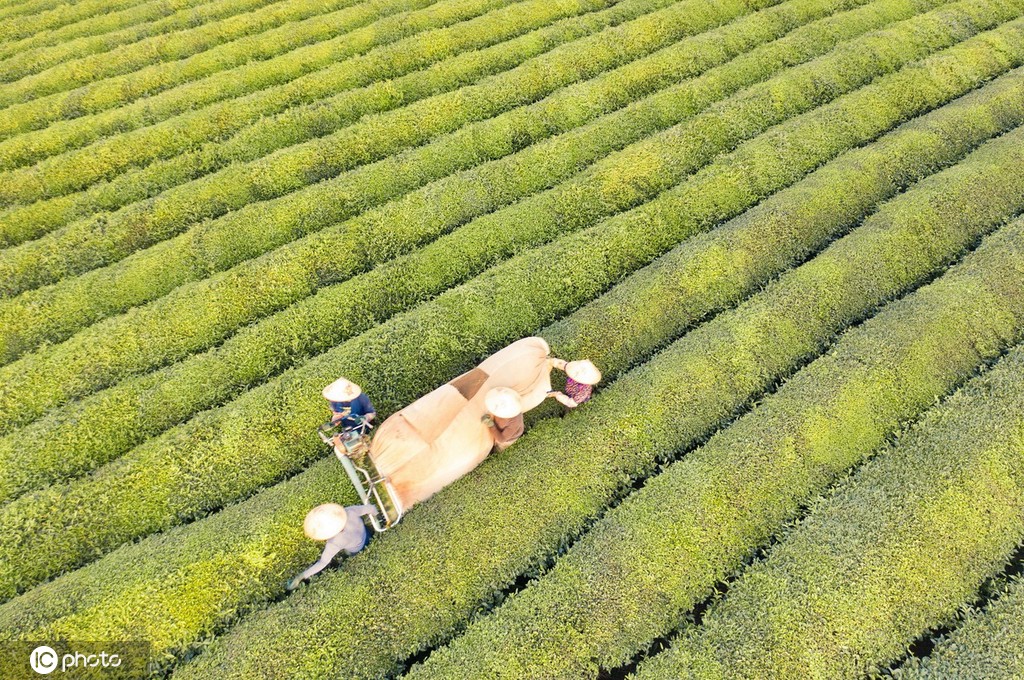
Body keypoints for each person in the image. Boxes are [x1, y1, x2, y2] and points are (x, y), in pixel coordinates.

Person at [286, 502, 378, 590]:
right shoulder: (349, 511)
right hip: (366, 532)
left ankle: (345, 555)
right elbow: (371, 508)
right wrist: (377, 517)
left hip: (357, 549)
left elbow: (322, 562)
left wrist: (300, 577)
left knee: (348, 552)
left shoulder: (334, 542)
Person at [481, 387, 525, 452]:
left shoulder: (514, 422)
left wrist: (490, 424)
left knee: (497, 449)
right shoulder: (504, 402)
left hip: (507, 438)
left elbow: (502, 439)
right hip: (502, 428)